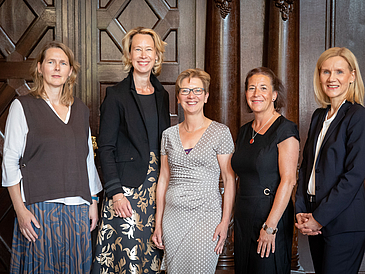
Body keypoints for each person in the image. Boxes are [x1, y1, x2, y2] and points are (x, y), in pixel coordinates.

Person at [1, 41, 102, 273]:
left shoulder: (80, 109)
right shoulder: (22, 106)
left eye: (63, 63)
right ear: (39, 68)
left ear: (70, 71)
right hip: (39, 208)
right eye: (51, 62)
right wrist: (20, 210)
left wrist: (93, 201)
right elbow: (10, 162)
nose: (57, 68)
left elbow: (86, 158)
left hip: (78, 208)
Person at [92, 27, 170, 273]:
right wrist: (115, 193)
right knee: (124, 258)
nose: (144, 55)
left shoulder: (162, 95)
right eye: (138, 49)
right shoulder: (115, 95)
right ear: (129, 55)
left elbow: (165, 143)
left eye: (149, 49)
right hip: (124, 191)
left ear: (157, 56)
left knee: (150, 257)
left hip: (156, 189)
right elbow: (105, 147)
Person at [152, 68, 236, 273]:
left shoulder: (220, 132)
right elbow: (163, 179)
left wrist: (225, 222)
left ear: (206, 96)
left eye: (197, 91)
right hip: (172, 217)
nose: (192, 96)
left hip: (206, 216)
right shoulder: (168, 135)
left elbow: (229, 179)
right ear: (178, 98)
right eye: (185, 91)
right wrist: (158, 223)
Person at [295, 47, 365, 274]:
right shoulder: (319, 116)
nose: (331, 78)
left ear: (352, 76)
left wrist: (319, 217)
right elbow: (306, 168)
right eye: (326, 72)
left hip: (344, 224)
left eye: (339, 72)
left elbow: (353, 177)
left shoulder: (358, 116)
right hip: (315, 219)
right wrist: (301, 209)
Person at [231, 67, 299, 273]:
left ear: (274, 95)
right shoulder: (244, 131)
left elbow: (288, 181)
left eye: (263, 88)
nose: (256, 93)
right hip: (243, 217)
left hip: (270, 216)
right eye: (251, 88)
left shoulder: (285, 129)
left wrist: (270, 227)